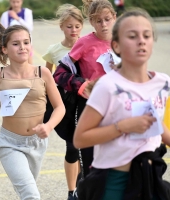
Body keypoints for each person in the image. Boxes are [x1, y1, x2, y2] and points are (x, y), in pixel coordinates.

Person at [0, 18, 65, 200]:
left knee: (26, 190)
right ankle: (1, 149)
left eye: (26, 43)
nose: (22, 47)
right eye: (16, 44)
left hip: (36, 143)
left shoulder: (43, 73)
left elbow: (59, 108)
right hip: (9, 142)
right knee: (31, 194)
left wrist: (48, 127)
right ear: (5, 49)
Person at [74, 8, 170, 200]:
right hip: (115, 180)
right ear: (116, 46)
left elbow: (158, 127)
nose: (141, 41)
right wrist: (123, 127)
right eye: (132, 36)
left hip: (150, 178)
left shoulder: (164, 83)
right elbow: (80, 139)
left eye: (147, 35)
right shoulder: (107, 86)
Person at [53, 0, 117, 179]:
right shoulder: (84, 43)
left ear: (114, 17)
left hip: (118, 108)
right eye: (98, 21)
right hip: (91, 108)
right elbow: (59, 73)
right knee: (90, 166)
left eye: (107, 19)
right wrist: (82, 85)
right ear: (91, 21)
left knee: (118, 165)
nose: (103, 24)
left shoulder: (124, 40)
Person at [42, 4, 83, 200]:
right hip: (65, 101)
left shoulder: (87, 45)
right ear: (61, 27)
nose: (73, 30)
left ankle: (83, 182)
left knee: (86, 146)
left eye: (76, 26)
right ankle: (71, 191)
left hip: (85, 100)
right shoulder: (54, 50)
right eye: (69, 26)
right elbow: (46, 76)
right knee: (72, 145)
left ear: (82, 27)